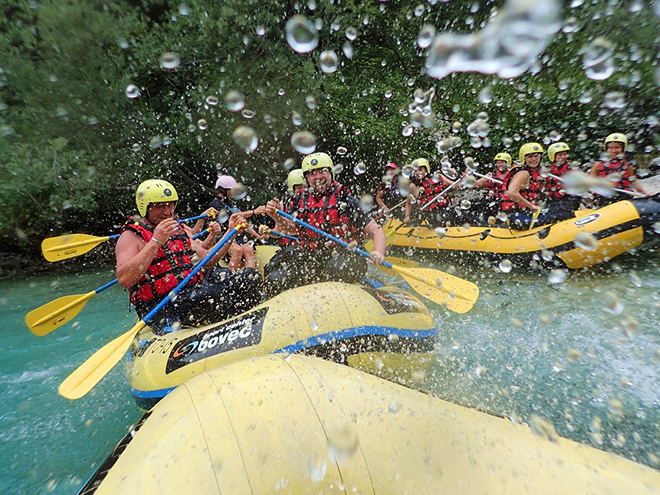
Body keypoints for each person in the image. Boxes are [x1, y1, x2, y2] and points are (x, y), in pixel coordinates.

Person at [116, 179, 262, 331]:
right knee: (212, 294)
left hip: (192, 292)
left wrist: (231, 232)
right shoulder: (131, 236)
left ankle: (249, 323)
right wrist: (155, 241)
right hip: (162, 304)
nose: (167, 212)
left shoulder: (179, 228)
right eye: (160, 207)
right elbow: (125, 278)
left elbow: (208, 260)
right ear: (145, 207)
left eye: (170, 205)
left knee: (249, 277)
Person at [263, 152, 386, 297]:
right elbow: (291, 229)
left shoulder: (344, 199)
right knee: (276, 276)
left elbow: (376, 230)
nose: (318, 177)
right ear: (307, 178)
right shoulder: (300, 200)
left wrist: (378, 252)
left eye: (323, 171)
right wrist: (276, 217)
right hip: (314, 255)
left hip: (346, 254)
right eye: (312, 174)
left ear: (331, 173)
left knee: (335, 269)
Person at [193, 174, 263, 270]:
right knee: (238, 250)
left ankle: (250, 277)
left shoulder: (230, 203)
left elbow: (242, 222)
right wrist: (254, 211)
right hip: (222, 238)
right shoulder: (215, 204)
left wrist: (258, 236)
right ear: (224, 190)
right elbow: (232, 217)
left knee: (249, 249)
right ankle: (232, 280)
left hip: (235, 238)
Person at [588, 133, 647, 206]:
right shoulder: (598, 165)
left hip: (622, 198)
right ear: (606, 149)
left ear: (623, 149)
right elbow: (589, 182)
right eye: (610, 148)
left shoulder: (628, 166)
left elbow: (634, 182)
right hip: (604, 198)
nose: (613, 151)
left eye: (617, 147)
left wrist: (645, 194)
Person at [259, 169, 305, 247]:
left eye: (306, 187)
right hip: (289, 246)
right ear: (292, 189)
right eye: (299, 187)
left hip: (304, 245)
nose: (303, 190)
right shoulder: (284, 203)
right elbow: (278, 232)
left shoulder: (312, 203)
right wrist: (268, 231)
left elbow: (294, 229)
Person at [404, 158, 456, 225]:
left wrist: (463, 181)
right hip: (429, 215)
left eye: (420, 170)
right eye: (415, 170)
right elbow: (408, 203)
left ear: (426, 170)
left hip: (445, 209)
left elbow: (454, 185)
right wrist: (407, 216)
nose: (418, 173)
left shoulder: (439, 177)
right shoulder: (413, 186)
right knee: (438, 218)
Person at [471, 152, 512, 219]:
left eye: (503, 162)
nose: (500, 165)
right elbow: (476, 184)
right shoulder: (490, 175)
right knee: (476, 204)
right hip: (491, 200)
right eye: (498, 163)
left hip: (505, 201)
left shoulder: (513, 176)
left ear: (508, 163)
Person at [545, 142, 581, 211]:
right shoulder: (546, 170)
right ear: (553, 156)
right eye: (560, 155)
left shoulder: (572, 168)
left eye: (565, 154)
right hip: (552, 200)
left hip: (569, 200)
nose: (563, 157)